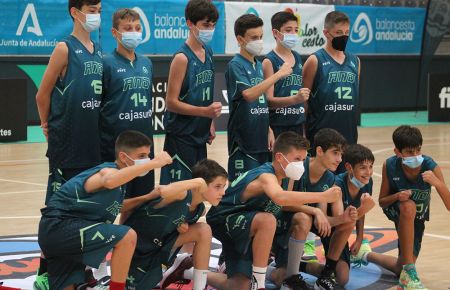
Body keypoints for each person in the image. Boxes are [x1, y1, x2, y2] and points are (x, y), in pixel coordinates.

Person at [38, 130, 173, 290]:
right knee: (127, 235)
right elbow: (109, 181)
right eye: (142, 156)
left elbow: (117, 206)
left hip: (62, 236)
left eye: (148, 155)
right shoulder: (108, 170)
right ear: (123, 157)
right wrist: (155, 163)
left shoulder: (121, 181)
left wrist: (147, 197)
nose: (147, 159)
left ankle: (45, 276)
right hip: (60, 228)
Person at [206, 132, 340, 290]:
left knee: (240, 286)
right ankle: (259, 284)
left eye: (303, 160)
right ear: (279, 157)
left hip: (251, 223)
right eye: (297, 159)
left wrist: (316, 211)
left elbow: (285, 204)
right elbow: (280, 197)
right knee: (267, 220)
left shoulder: (285, 177)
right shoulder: (266, 176)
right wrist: (322, 196)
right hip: (225, 220)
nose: (301, 164)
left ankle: (187, 270)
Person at [34, 0, 102, 288]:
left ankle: (78, 269)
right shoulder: (64, 48)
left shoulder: (98, 51)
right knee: (57, 211)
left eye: (99, 10)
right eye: (91, 9)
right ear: (75, 13)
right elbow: (42, 94)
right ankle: (45, 272)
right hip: (66, 144)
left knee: (84, 210)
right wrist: (47, 124)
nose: (96, 15)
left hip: (92, 144)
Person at [352, 125, 450, 290]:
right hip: (396, 209)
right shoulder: (389, 165)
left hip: (418, 218)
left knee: (401, 266)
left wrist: (437, 183)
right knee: (408, 206)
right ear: (397, 152)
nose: (416, 155)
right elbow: (383, 201)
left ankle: (365, 254)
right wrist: (397, 196)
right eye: (410, 152)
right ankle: (408, 276)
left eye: (418, 150)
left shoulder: (430, 166)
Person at [269, 128, 356, 290]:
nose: (339, 159)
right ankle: (279, 273)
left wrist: (344, 218)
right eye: (335, 153)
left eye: (341, 154)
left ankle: (322, 272)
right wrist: (314, 211)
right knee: (281, 276)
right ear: (319, 151)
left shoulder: (330, 178)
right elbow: (284, 203)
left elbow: (323, 219)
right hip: (285, 224)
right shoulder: (298, 165)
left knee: (342, 278)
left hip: (307, 223)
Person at [124, 159, 228, 290]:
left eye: (223, 186)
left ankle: (199, 287)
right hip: (134, 249)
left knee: (204, 230)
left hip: (156, 250)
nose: (223, 192)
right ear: (200, 185)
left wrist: (182, 226)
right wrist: (196, 181)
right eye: (218, 186)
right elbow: (163, 190)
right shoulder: (181, 194)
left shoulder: (200, 209)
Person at [292, 144, 376, 287]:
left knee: (342, 279)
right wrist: (363, 208)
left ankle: (302, 266)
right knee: (347, 223)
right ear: (349, 167)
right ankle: (311, 270)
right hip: (327, 224)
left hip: (338, 231)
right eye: (363, 167)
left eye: (371, 167)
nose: (368, 172)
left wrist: (360, 237)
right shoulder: (336, 183)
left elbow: (358, 213)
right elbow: (344, 221)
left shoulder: (367, 182)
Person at [100, 8, 155, 223]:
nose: (134, 32)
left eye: (137, 28)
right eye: (127, 28)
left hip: (143, 146)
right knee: (111, 202)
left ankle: (132, 252)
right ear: (115, 32)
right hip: (115, 146)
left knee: (139, 202)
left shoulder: (146, 63)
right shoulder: (106, 63)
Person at [160, 0, 221, 185]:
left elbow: (206, 92)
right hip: (181, 135)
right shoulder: (181, 58)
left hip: (200, 133)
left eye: (213, 25)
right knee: (179, 192)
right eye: (205, 25)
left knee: (198, 189)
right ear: (190, 23)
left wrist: (209, 121)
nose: (210, 29)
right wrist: (205, 112)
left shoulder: (208, 51)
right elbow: (170, 102)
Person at [227, 14, 293, 182]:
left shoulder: (257, 64)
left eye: (261, 37)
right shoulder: (236, 64)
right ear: (240, 39)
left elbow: (261, 100)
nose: (259, 41)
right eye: (254, 37)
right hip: (244, 143)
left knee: (262, 190)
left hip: (261, 139)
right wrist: (278, 75)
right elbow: (249, 94)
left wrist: (268, 128)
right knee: (243, 192)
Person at [302, 11, 360, 173]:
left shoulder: (355, 61)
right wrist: (304, 133)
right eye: (339, 33)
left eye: (347, 33)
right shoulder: (315, 60)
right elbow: (303, 100)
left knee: (344, 183)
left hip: (348, 133)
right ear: (326, 33)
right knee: (321, 182)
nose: (344, 36)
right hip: (321, 133)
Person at [262, 11, 310, 139]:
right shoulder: (269, 61)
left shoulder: (298, 57)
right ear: (275, 33)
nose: (293, 34)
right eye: (288, 30)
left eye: (296, 30)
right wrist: (295, 99)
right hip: (278, 124)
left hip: (297, 123)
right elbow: (269, 101)